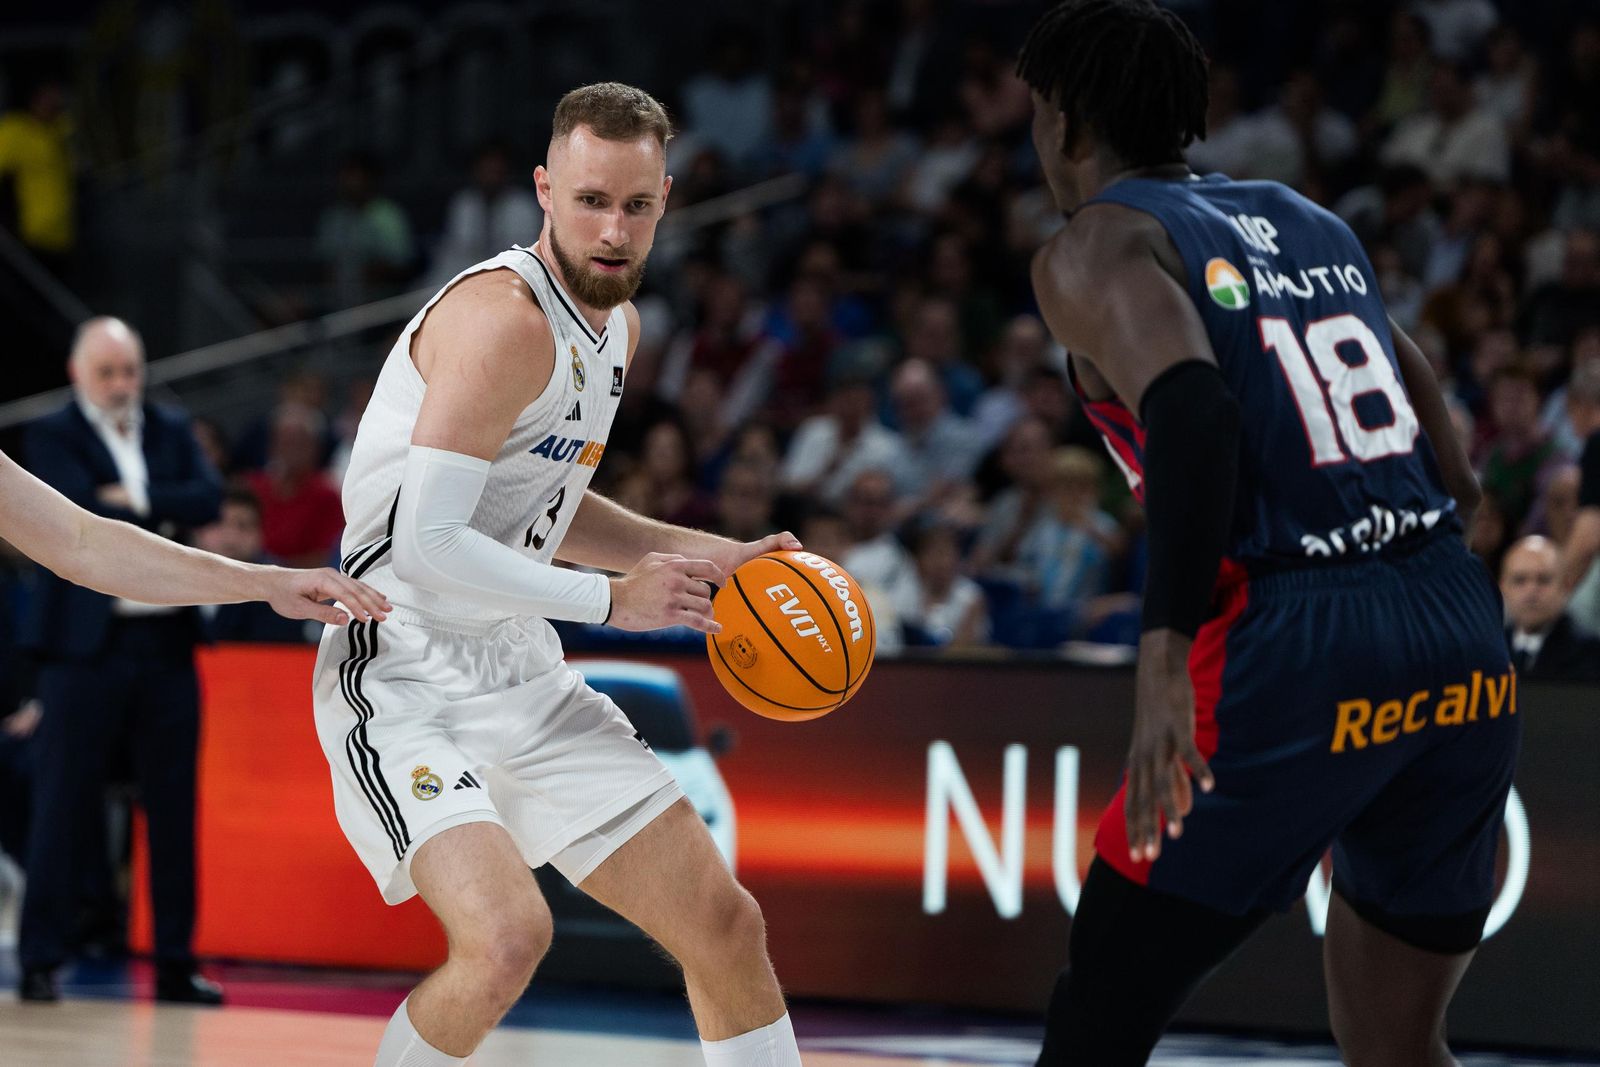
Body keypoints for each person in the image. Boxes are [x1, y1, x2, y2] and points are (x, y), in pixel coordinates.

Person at [1017, 4, 1515, 1064]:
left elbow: (1195, 410)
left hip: (1296, 643)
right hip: (1453, 620)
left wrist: (1162, 660)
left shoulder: (1094, 244)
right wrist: (1438, 523)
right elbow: (1423, 397)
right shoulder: (1305, 218)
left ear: (1063, 121)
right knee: (1398, 1045)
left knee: (1098, 1017)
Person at [318, 83, 803, 1067]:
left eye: (636, 205)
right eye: (590, 201)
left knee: (724, 923)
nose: (614, 231)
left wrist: (714, 555)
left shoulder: (617, 328)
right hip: (401, 662)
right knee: (506, 937)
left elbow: (548, 504)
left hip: (516, 661)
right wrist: (613, 601)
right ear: (544, 190)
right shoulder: (502, 319)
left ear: (666, 200)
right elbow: (428, 542)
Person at [15, 319, 386, 1005]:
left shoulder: (168, 426)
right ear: (76, 374)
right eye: (106, 372)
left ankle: (174, 960)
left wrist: (139, 505)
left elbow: (179, 507)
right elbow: (83, 528)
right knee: (62, 803)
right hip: (83, 651)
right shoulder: (52, 433)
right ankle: (42, 956)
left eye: (130, 370)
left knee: (174, 805)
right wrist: (156, 506)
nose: (121, 384)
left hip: (165, 642)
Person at [1500, 536, 1600, 682]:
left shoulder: (1591, 653)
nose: (1531, 591)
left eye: (1543, 580)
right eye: (1520, 580)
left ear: (1565, 585)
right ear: (1503, 587)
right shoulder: (1487, 650)